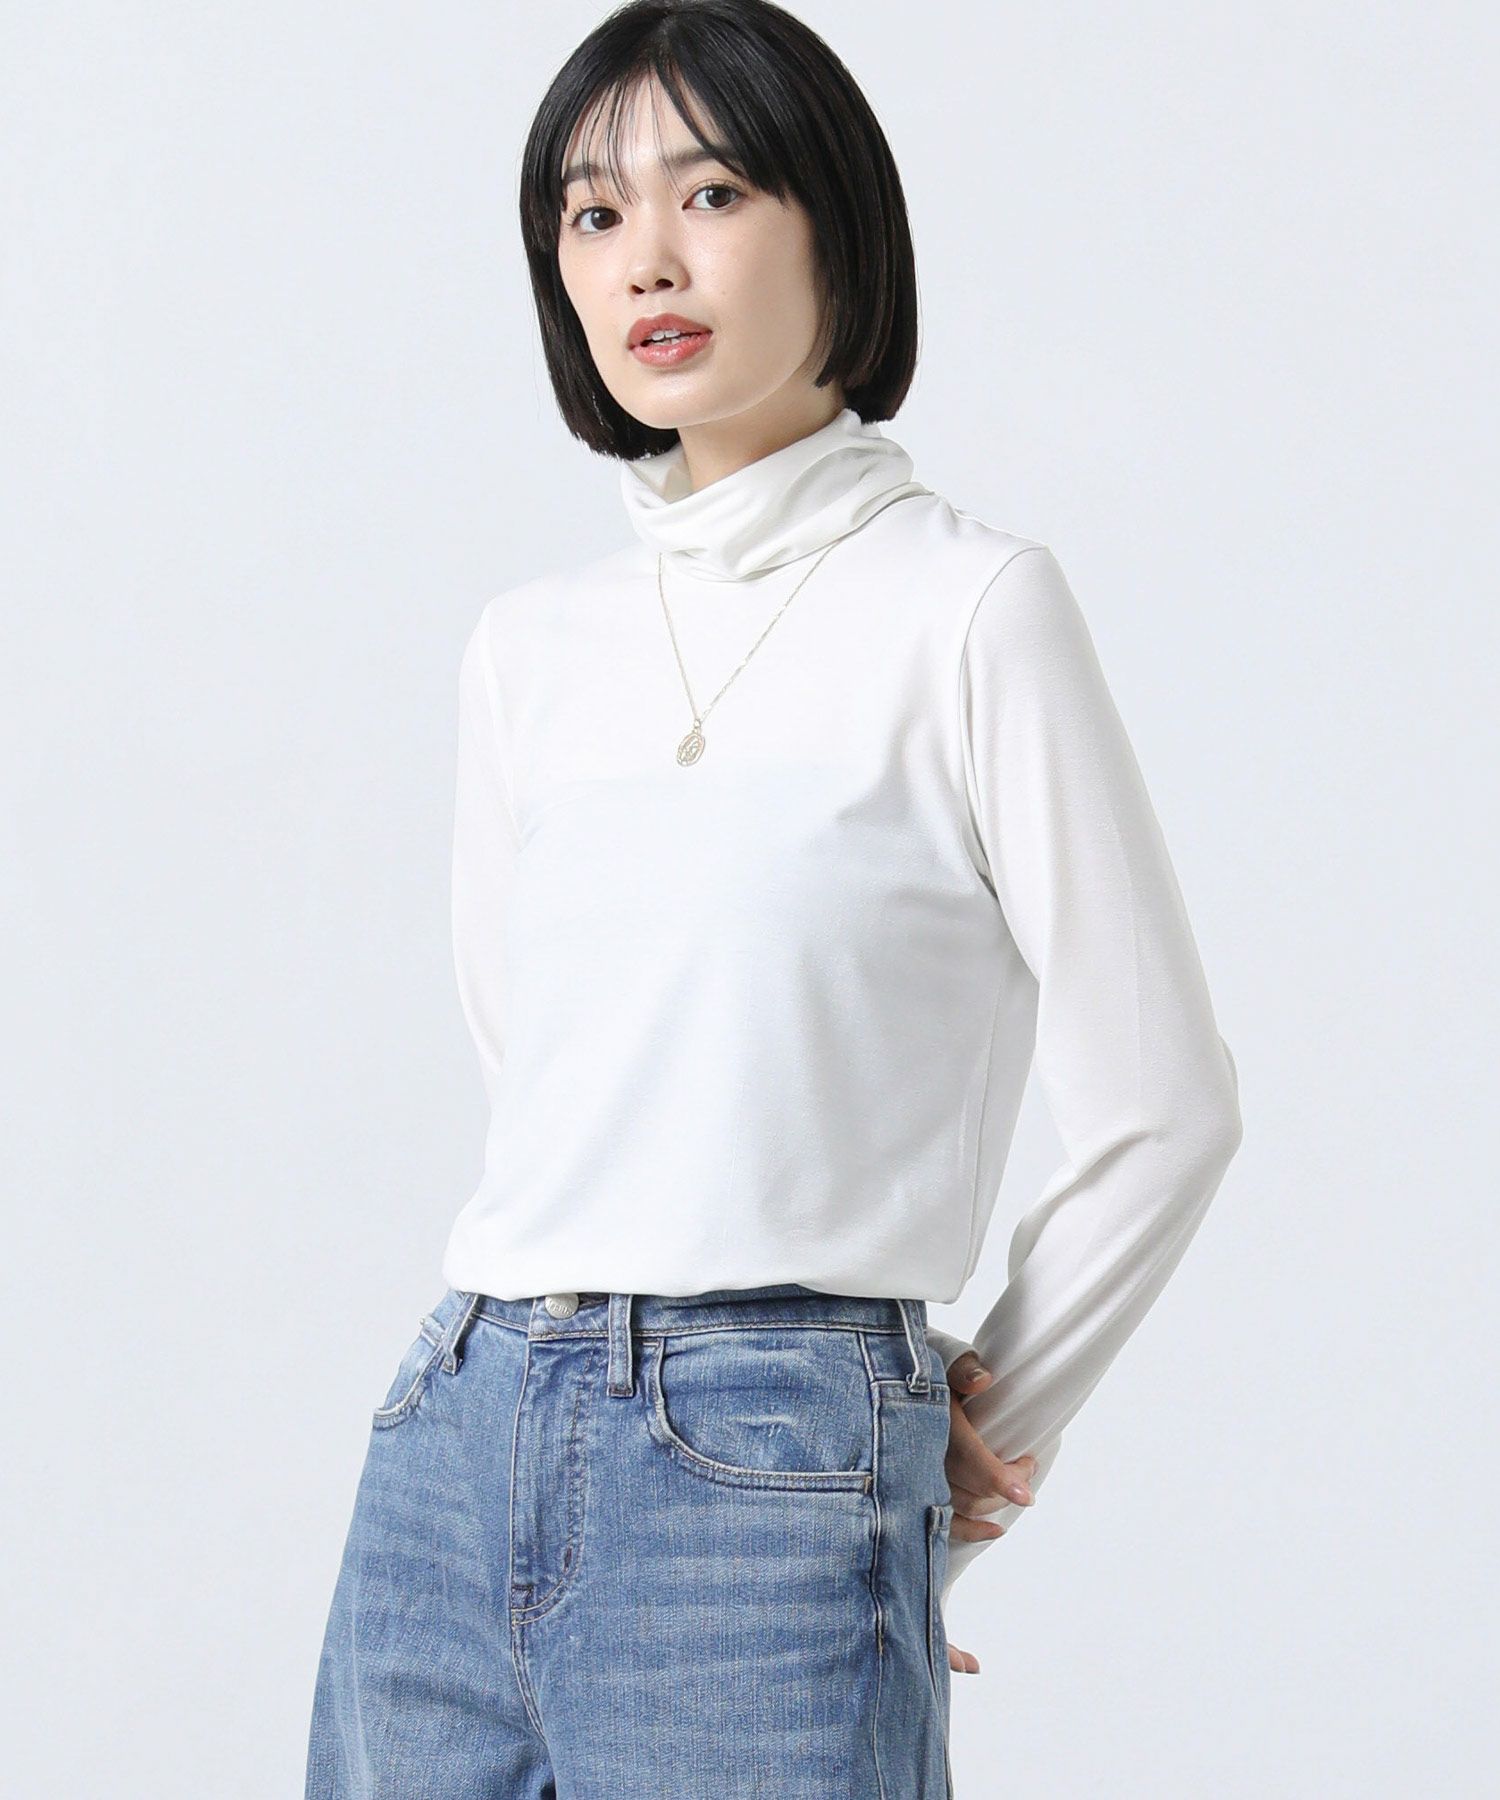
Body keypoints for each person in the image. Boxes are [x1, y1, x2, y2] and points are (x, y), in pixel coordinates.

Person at [305, 2, 1243, 1794]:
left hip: (768, 1447)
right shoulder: (527, 650)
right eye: (592, 214)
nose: (646, 257)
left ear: (837, 223)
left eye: (713, 191)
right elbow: (550, 1080)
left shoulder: (971, 610)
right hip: (453, 1433)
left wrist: (929, 1461)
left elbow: (1167, 1108)